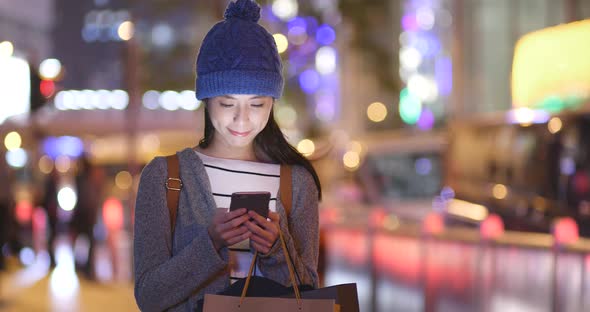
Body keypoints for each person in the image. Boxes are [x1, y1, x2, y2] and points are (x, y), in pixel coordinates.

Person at [133, 0, 322, 311]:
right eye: (227, 103)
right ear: (206, 100)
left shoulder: (297, 182)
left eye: (257, 104)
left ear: (272, 103)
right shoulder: (165, 177)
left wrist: (276, 249)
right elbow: (148, 297)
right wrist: (211, 243)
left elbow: (309, 292)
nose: (242, 119)